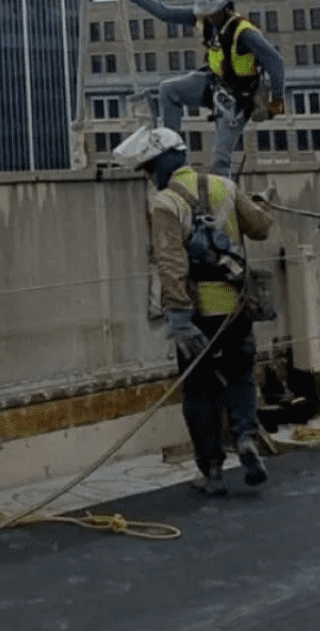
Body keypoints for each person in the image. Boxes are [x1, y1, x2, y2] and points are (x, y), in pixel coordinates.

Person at [113, 124, 273, 494]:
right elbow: (261, 228)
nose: (150, 176)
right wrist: (258, 203)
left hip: (198, 312)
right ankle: (246, 437)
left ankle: (213, 472)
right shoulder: (225, 186)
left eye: (150, 168)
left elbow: (170, 263)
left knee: (200, 391)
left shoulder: (165, 203)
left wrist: (179, 316)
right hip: (235, 306)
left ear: (166, 163)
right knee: (240, 376)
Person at [111, 0, 285, 176]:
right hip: (213, 84)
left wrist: (276, 98)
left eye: (210, 13)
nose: (206, 17)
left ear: (222, 7)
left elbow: (275, 62)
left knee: (220, 158)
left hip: (238, 99)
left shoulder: (244, 32)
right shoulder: (205, 20)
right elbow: (164, 13)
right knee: (169, 90)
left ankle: (222, 199)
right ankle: (171, 154)